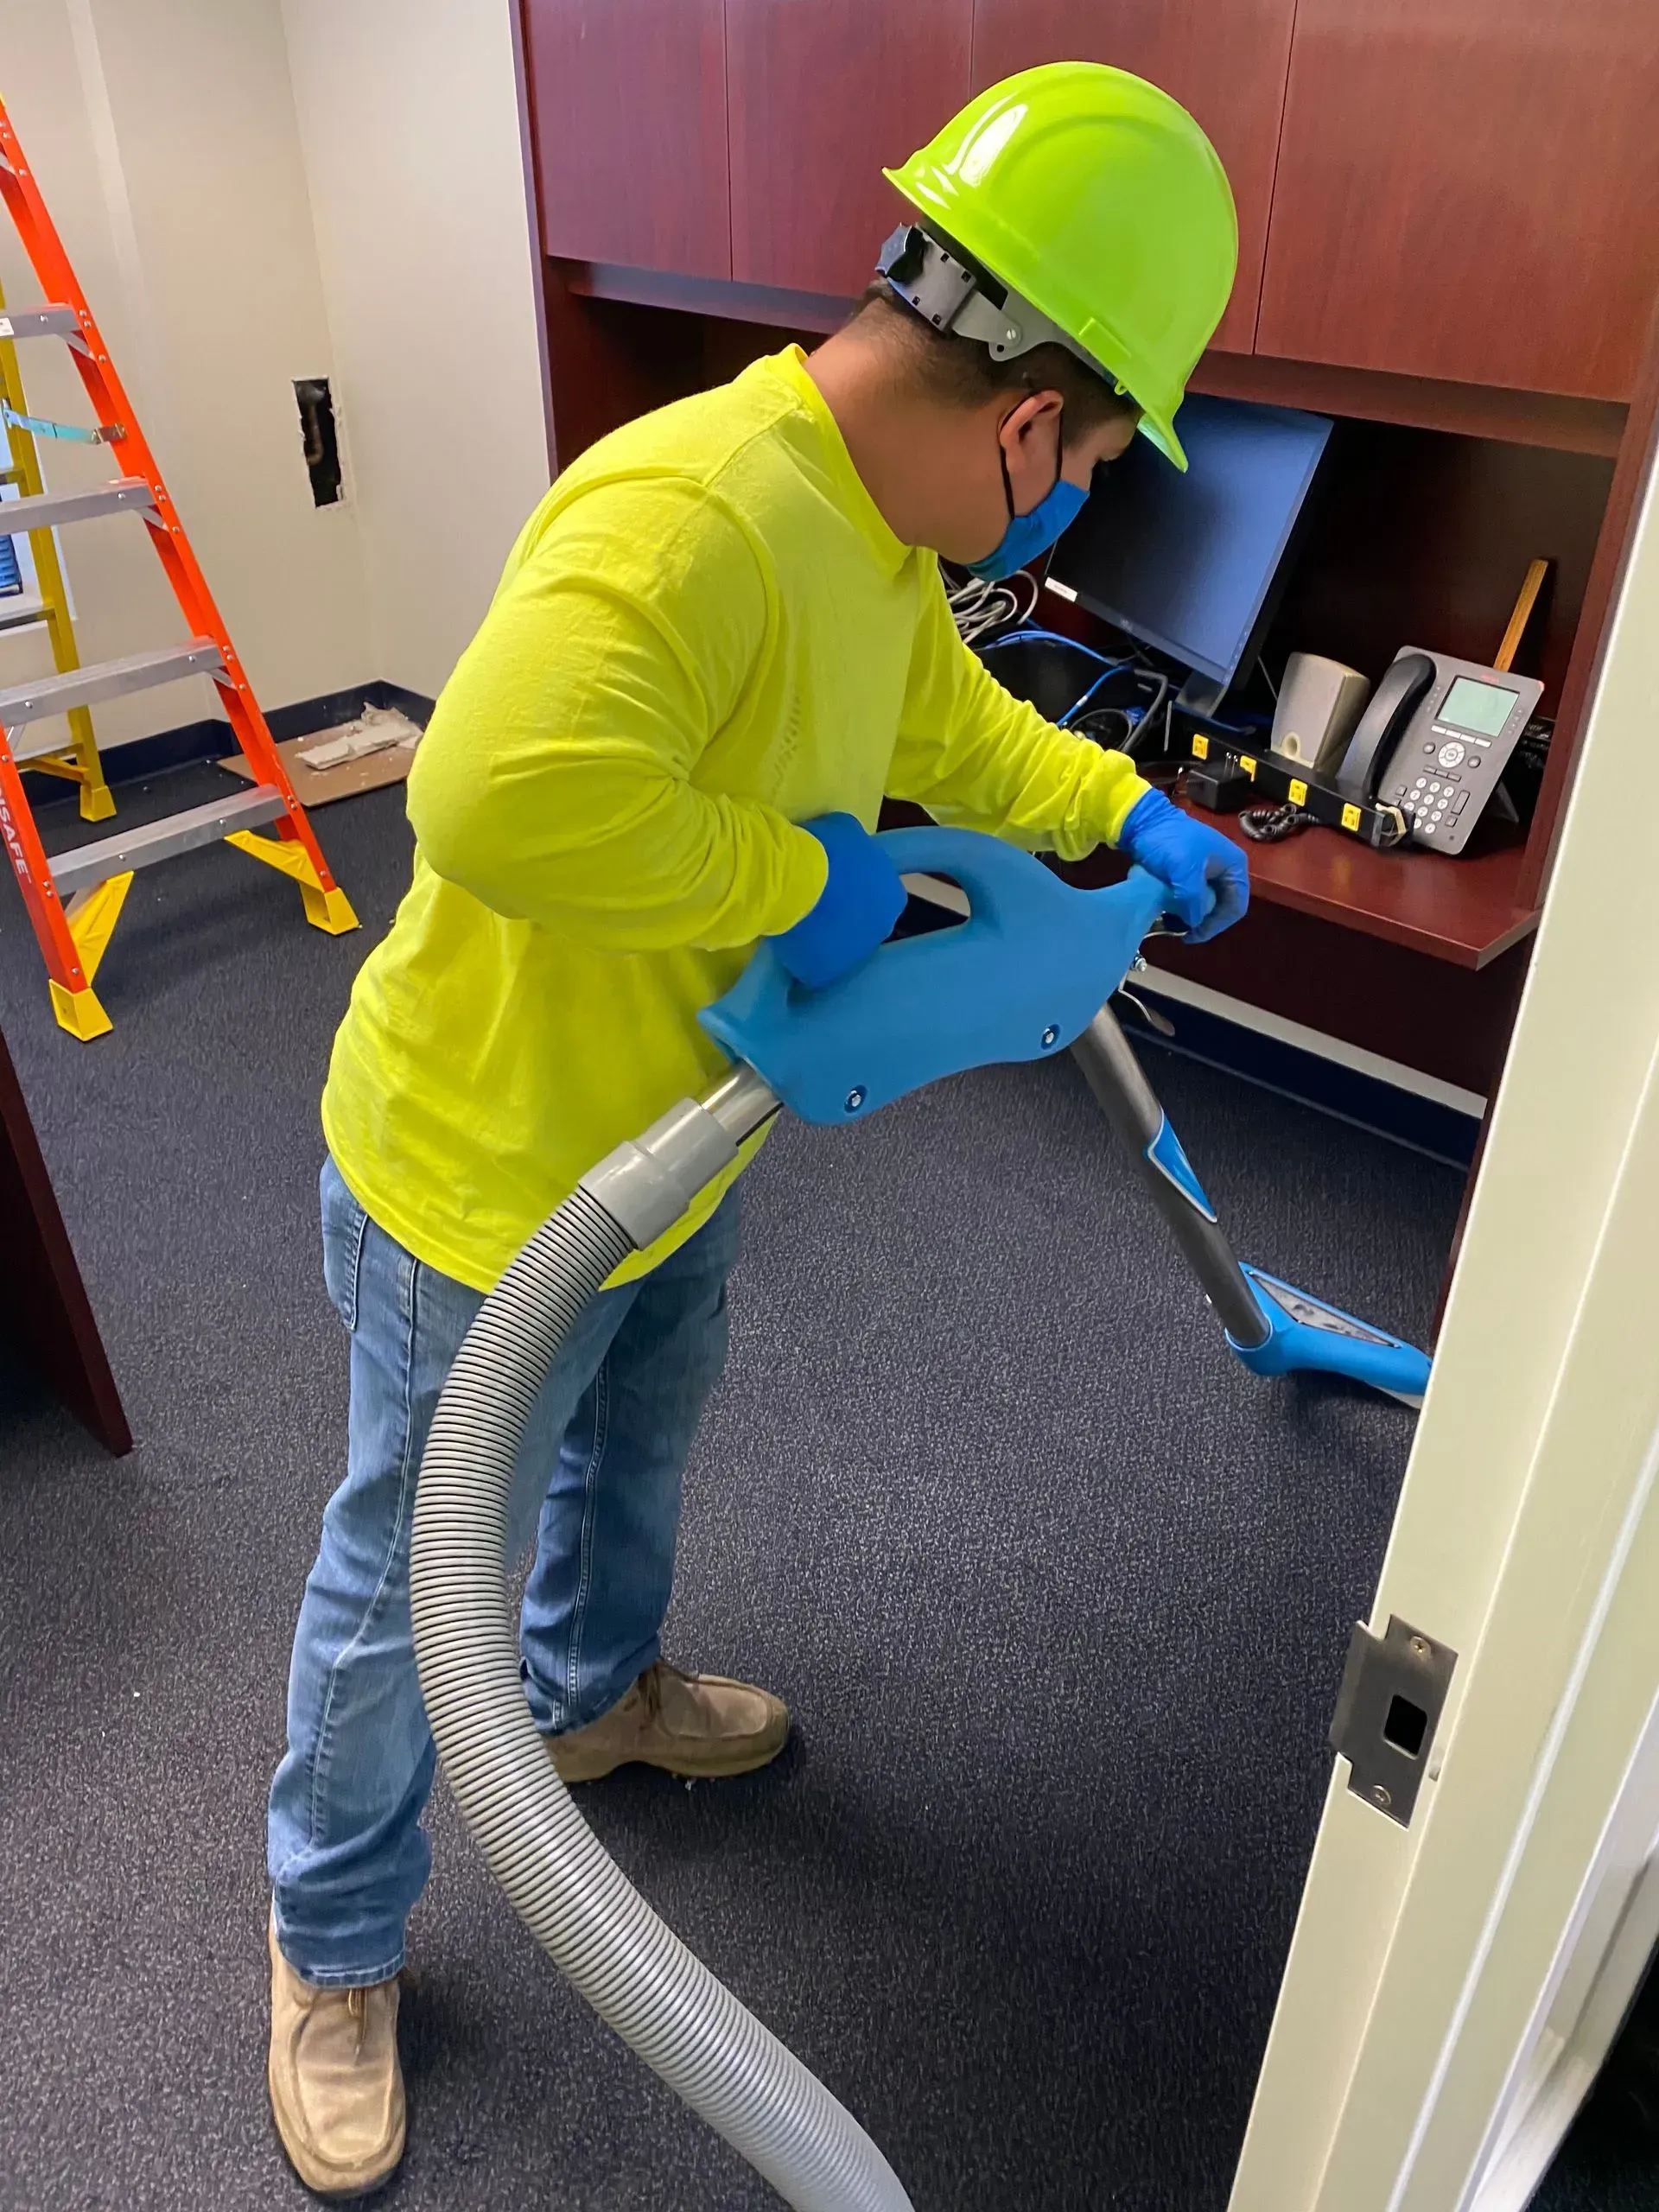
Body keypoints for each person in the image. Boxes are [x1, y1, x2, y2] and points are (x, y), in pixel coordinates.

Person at [264, 60, 1249, 2197]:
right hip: (482, 1164)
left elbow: (947, 720)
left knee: (646, 1418)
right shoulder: (697, 504)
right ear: (1028, 421)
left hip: (672, 1138)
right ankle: (329, 1935)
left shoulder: (877, 533)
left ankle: (591, 1687)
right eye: (1092, 458)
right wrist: (797, 886)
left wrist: (1118, 804)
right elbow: (489, 795)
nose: (1075, 499)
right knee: (392, 1573)